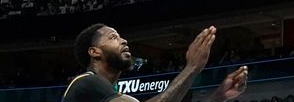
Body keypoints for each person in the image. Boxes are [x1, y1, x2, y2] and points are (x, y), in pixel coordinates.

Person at [62, 24, 247, 102]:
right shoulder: (85, 83)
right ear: (95, 52)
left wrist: (218, 97)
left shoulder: (113, 96)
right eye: (113, 37)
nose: (124, 41)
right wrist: (191, 68)